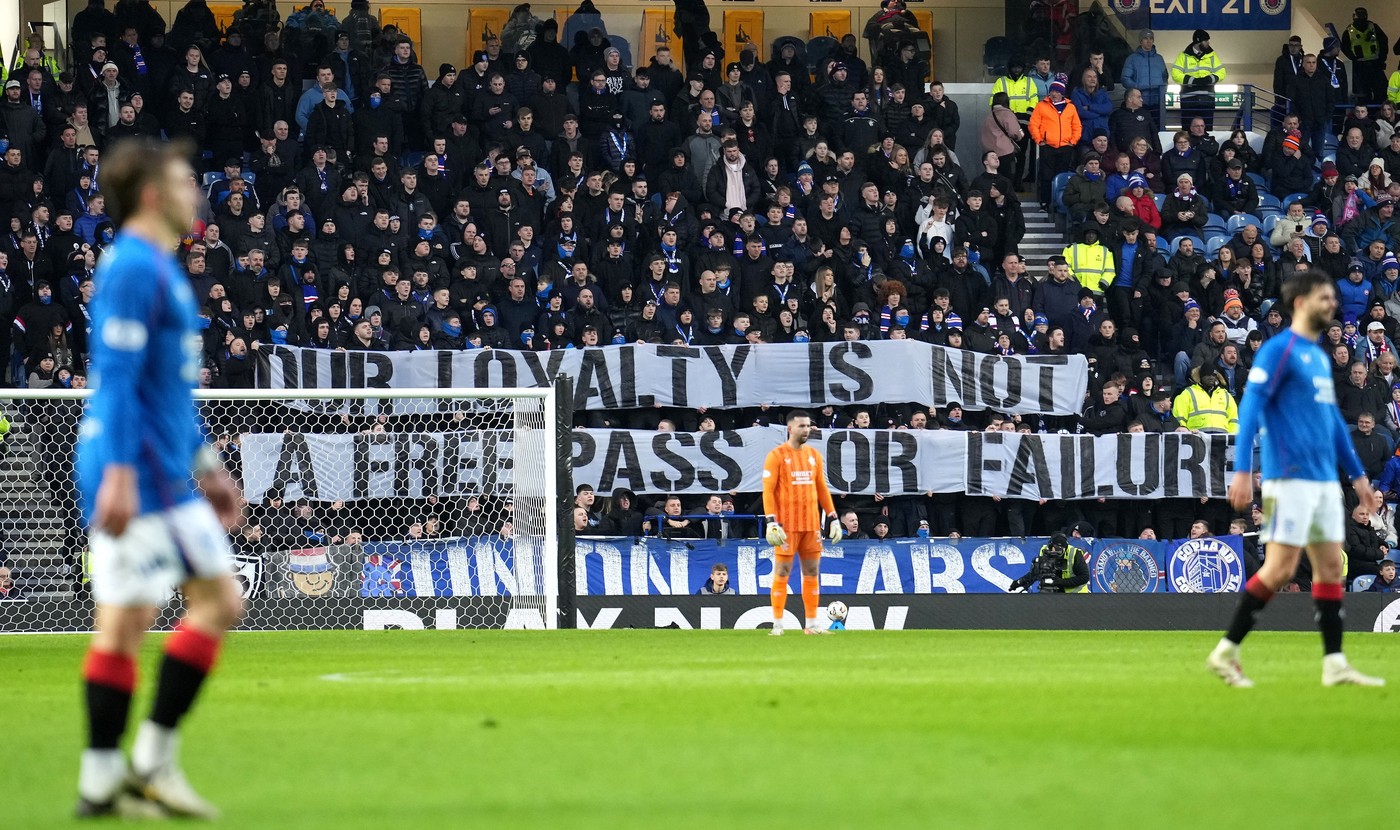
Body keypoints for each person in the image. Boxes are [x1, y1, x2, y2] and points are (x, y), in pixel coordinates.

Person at [73, 138, 245, 818]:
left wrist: (208, 464)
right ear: (151, 195)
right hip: (135, 468)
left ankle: (119, 770)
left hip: (168, 466)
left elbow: (166, 387)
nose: (194, 190)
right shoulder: (133, 269)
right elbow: (114, 378)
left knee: (167, 612)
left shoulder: (163, 267)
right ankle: (132, 766)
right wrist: (117, 473)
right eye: (182, 179)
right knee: (163, 614)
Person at [1209, 269, 1384, 688]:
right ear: (1302, 303)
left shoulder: (1319, 357)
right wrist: (1241, 471)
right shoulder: (1279, 351)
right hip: (1290, 476)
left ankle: (1335, 661)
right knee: (1281, 568)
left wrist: (1358, 479)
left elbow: (1333, 424)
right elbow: (1250, 407)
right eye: (1325, 298)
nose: (1332, 305)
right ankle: (1226, 650)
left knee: (1328, 567)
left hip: (1325, 480)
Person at [762, 409, 841, 635]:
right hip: (786, 526)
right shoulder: (776, 455)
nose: (806, 430)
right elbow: (767, 491)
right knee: (782, 571)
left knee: (812, 572)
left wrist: (833, 516)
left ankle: (812, 624)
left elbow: (822, 489)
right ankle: (777, 625)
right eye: (802, 426)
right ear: (790, 428)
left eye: (808, 426)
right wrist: (771, 521)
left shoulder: (814, 455)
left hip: (811, 525)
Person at [1171, 30, 1226, 130]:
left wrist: (1209, 79)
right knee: (1187, 132)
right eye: (1206, 41)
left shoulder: (1212, 55)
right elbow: (1175, 74)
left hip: (1207, 101)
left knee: (1207, 131)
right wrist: (1194, 81)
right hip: (1189, 101)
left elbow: (1222, 72)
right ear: (1198, 41)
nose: (1208, 43)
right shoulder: (1183, 56)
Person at [1008, 532, 1088, 593]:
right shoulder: (1044, 551)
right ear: (1050, 546)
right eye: (1055, 548)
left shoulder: (1074, 553)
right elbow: (1035, 573)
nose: (1058, 552)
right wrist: (1019, 582)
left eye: (1061, 549)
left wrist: (1061, 582)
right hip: (1050, 591)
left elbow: (1084, 577)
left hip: (1074, 596)